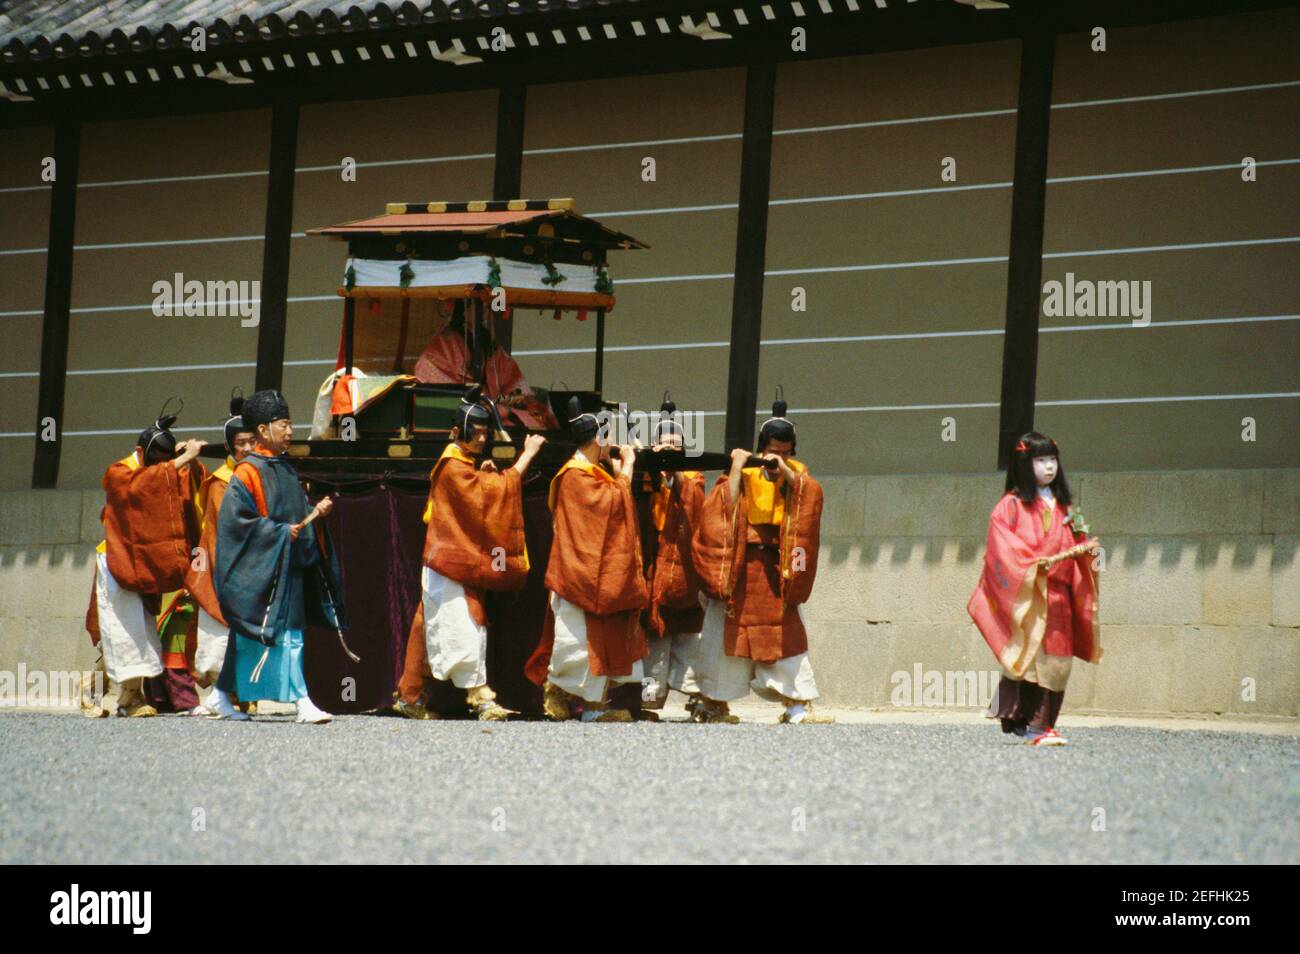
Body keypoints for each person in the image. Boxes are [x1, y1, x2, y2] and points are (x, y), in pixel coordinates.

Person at [690, 392, 830, 724]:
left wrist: (787, 474)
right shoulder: (746, 470)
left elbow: (809, 500)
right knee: (722, 634)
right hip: (740, 567)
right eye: (771, 451)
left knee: (785, 635)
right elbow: (722, 506)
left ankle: (796, 704)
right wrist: (738, 467)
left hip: (775, 570)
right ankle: (713, 703)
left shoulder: (797, 476)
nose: (777, 457)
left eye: (784, 452)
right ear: (761, 447)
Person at [214, 390, 345, 725]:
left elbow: (297, 516)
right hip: (264, 565)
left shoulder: (284, 468)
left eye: (290, 425)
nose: (290, 432)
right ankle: (301, 701)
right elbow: (237, 524)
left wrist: (315, 514)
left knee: (278, 635)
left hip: (288, 565)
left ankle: (220, 695)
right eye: (283, 425)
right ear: (263, 430)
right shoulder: (246, 473)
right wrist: (278, 533)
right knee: (270, 636)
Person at [419, 388, 546, 720]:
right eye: (474, 432)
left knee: (438, 626)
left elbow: (479, 494)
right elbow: (492, 495)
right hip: (449, 563)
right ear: (458, 431)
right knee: (465, 627)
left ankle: (410, 695)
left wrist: (484, 474)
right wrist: (526, 455)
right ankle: (482, 699)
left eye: (485, 432)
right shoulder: (452, 465)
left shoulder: (461, 463)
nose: (480, 439)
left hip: (451, 562)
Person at [967, 432, 1101, 746]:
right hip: (1028, 591)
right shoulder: (1010, 507)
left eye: (1052, 460)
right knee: (1025, 656)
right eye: (1040, 461)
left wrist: (1086, 551)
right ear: (1025, 465)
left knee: (1056, 660)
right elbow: (1001, 547)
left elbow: (1079, 543)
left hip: (1058, 595)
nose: (1049, 467)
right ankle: (1017, 717)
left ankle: (1042, 722)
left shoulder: (1066, 508)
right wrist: (1030, 564)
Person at [526, 398, 648, 722]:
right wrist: (628, 471)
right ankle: (573, 700)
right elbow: (607, 508)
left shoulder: (592, 472)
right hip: (577, 574)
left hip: (589, 573)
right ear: (598, 439)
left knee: (595, 640)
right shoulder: (575, 476)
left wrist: (619, 475)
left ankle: (593, 707)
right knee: (577, 645)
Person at [84, 400, 207, 717]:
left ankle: (115, 696)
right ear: (140, 451)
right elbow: (140, 487)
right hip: (118, 562)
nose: (159, 468)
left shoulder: (161, 470)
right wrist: (176, 464)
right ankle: (117, 697)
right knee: (124, 631)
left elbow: (177, 488)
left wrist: (187, 463)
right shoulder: (120, 472)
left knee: (139, 632)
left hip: (146, 564)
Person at [184, 392, 257, 720]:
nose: (247, 448)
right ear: (229, 447)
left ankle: (244, 693)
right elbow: (218, 533)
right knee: (218, 634)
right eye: (241, 443)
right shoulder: (219, 483)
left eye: (252, 442)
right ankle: (221, 693)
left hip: (249, 567)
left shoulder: (256, 474)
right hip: (219, 566)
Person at [638, 397, 706, 718]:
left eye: (675, 444)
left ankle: (698, 699)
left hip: (683, 571)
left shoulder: (693, 476)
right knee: (654, 642)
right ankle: (649, 703)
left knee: (690, 640)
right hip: (653, 571)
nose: (669, 448)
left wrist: (676, 474)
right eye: (664, 443)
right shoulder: (646, 474)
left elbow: (694, 504)